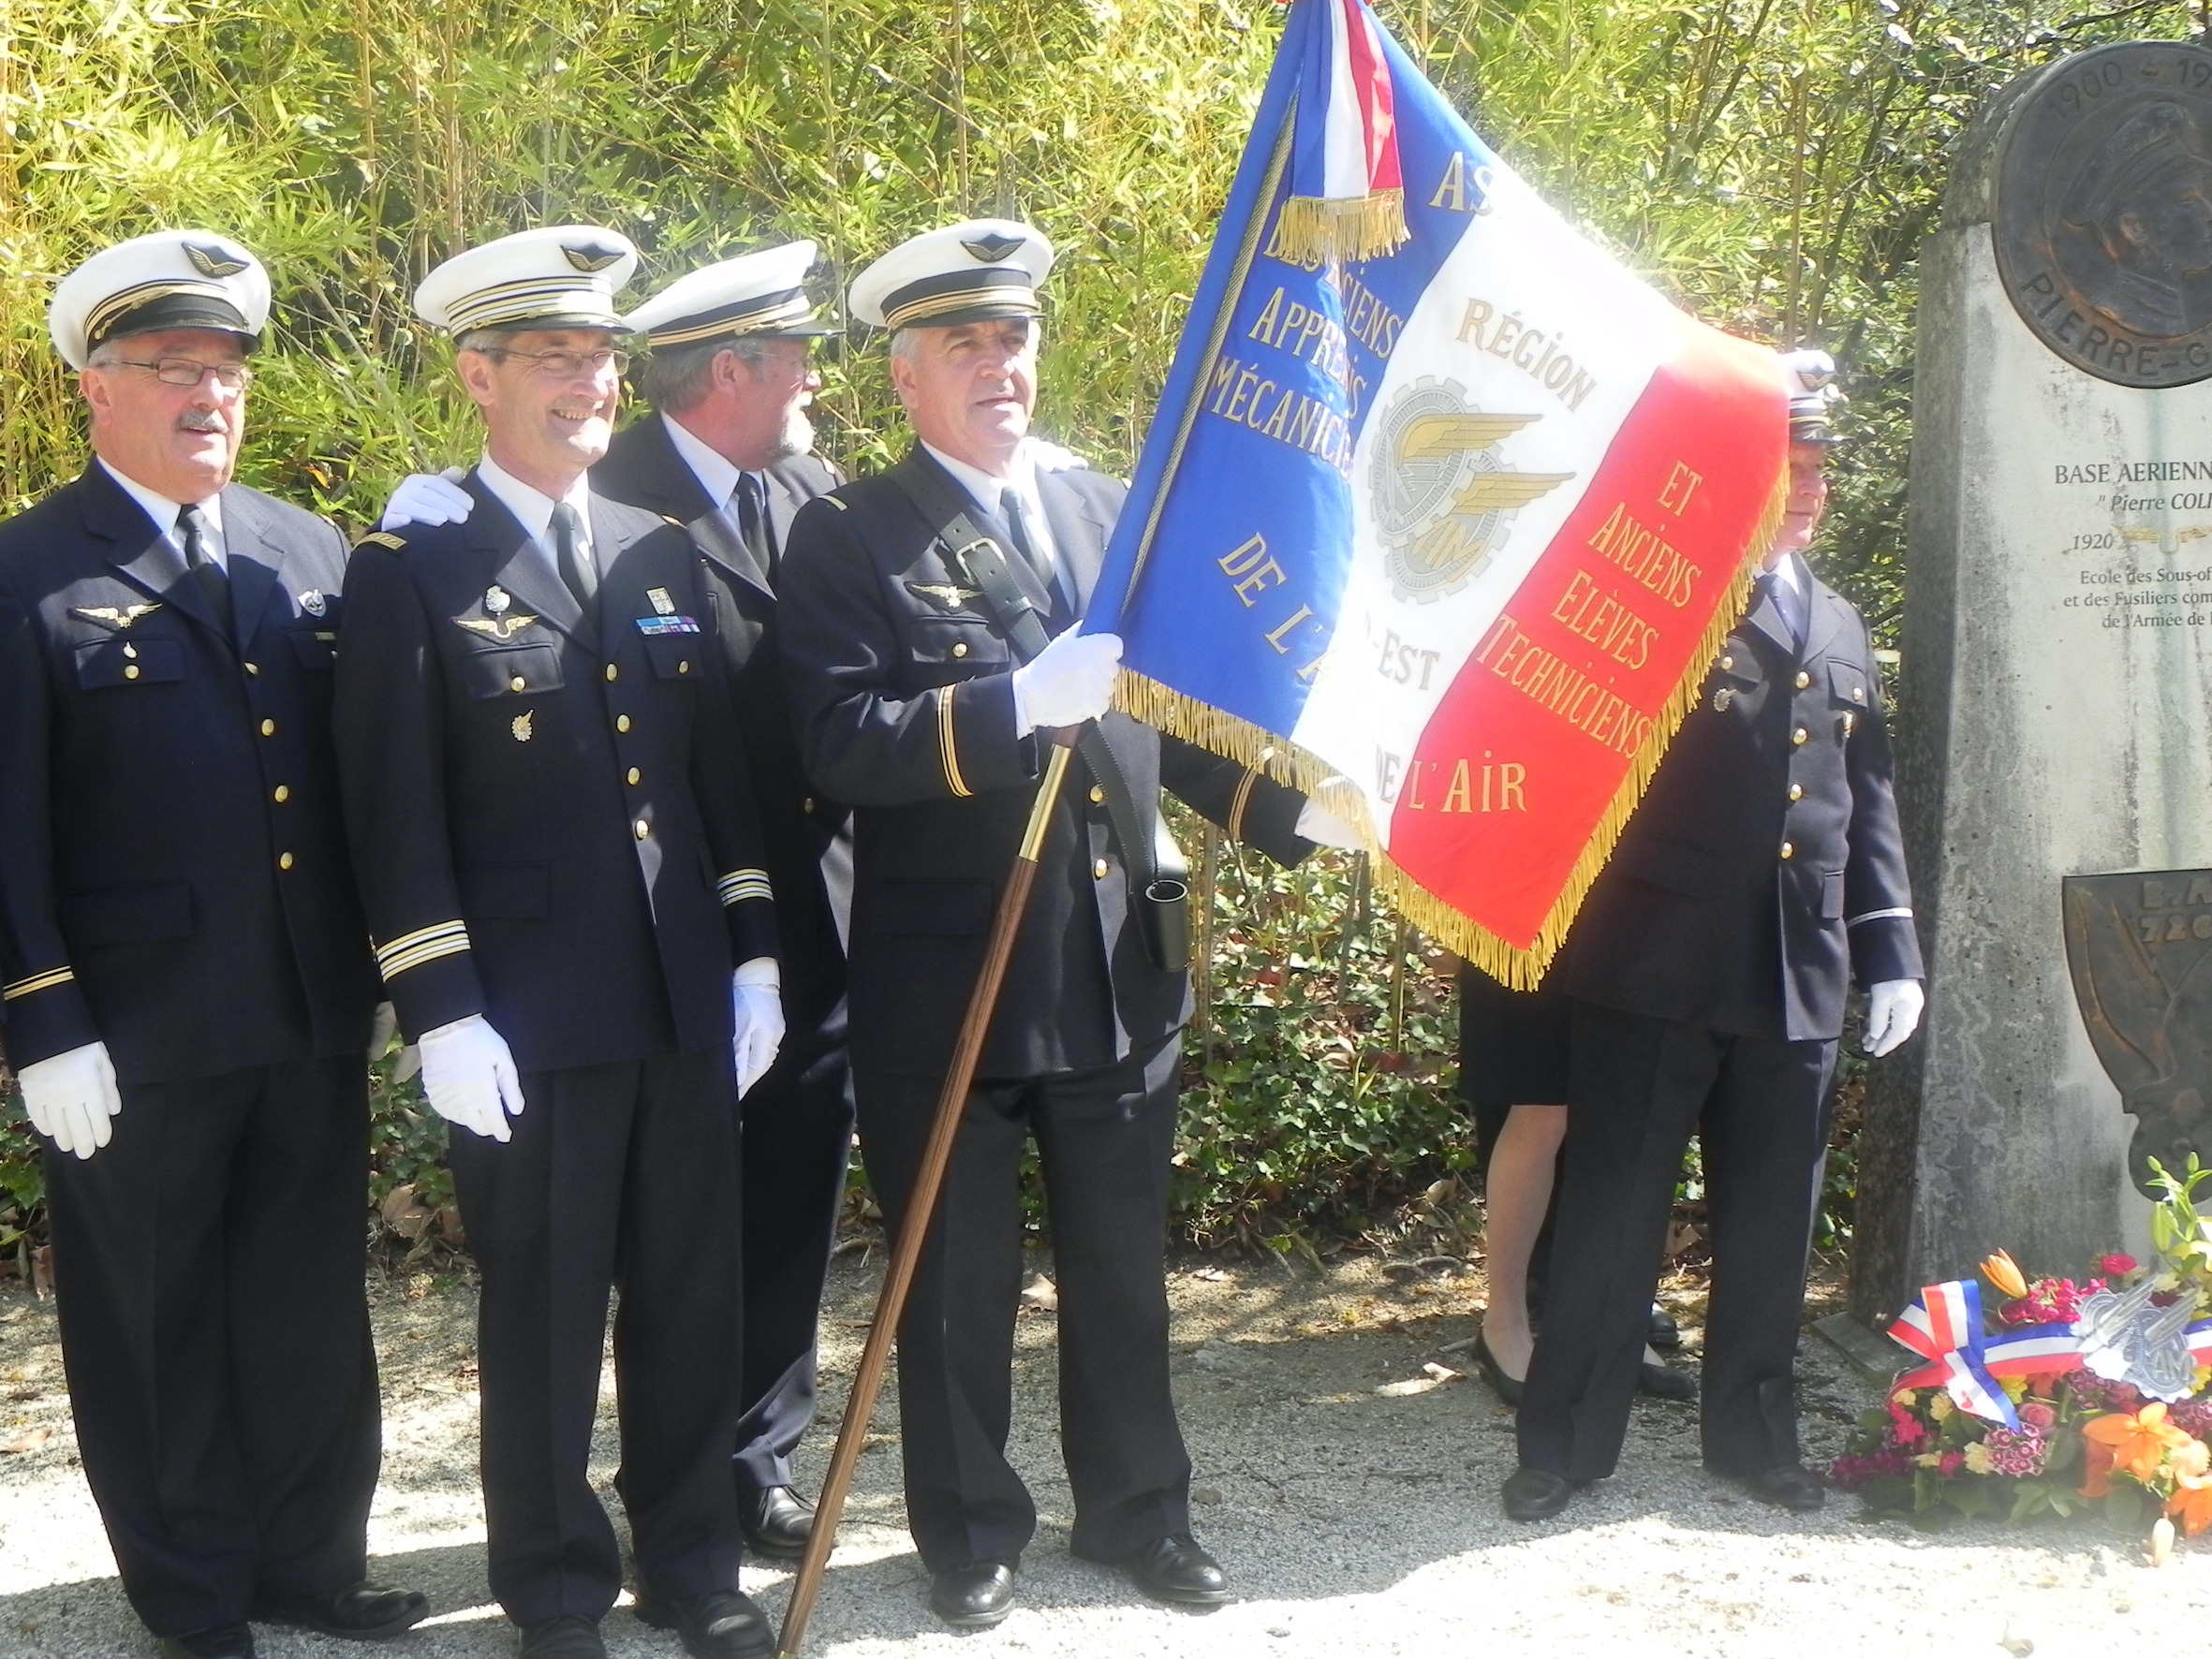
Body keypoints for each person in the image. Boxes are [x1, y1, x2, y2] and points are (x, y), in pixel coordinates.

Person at [775, 219, 1336, 1629]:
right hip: (945, 978)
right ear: (901, 372)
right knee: (955, 1288)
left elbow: (1181, 720)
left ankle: (1141, 1513)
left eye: (1011, 337)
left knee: (1122, 1271)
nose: (996, 365)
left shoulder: (1110, 513)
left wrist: (1299, 813)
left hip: (1111, 965)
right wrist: (1006, 709)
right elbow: (838, 742)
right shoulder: (849, 536)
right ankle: (967, 1531)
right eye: (961, 343)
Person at [331, 227, 784, 1659]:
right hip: (525, 1019)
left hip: (677, 994)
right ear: (479, 375)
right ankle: (554, 1583)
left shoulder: (659, 551)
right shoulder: (408, 569)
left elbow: (718, 786)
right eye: (554, 358)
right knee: (541, 1310)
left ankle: (690, 1560)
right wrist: (438, 1005)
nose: (587, 383)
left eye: (599, 358)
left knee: (689, 1293)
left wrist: (757, 951)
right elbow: (389, 812)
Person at [0, 230, 426, 1659]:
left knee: (307, 1300)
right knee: (156, 1314)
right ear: (94, 390)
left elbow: (373, 783)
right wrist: (40, 1014)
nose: (208, 396)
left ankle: (312, 1557)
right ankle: (191, 1589)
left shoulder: (307, 553)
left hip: (305, 1003)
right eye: (171, 369)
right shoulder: (26, 571)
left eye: (227, 370)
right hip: (134, 1030)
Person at [1500, 349, 1925, 1523]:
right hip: (1654, 960)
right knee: (1612, 1216)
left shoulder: (1835, 617)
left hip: (1796, 966)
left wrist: (1888, 948)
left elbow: (1865, 794)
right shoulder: (1656, 596)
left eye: (1820, 467)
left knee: (1770, 1221)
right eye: (1785, 466)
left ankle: (1753, 1435)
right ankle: (1566, 1441)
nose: (1808, 486)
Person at [1456, 975, 1690, 1404]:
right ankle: (1504, 1323)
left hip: (1634, 924)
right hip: (1527, 921)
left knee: (1623, 1100)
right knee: (1540, 1098)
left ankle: (1609, 1316)